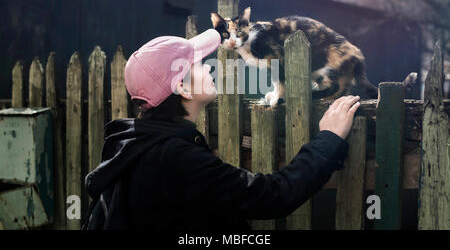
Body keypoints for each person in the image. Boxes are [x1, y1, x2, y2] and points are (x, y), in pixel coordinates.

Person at [82, 29, 361, 230]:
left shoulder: (137, 145)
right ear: (182, 87)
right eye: (200, 65)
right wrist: (329, 139)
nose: (210, 69)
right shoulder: (174, 157)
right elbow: (273, 196)